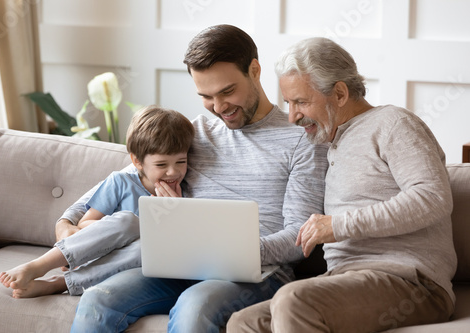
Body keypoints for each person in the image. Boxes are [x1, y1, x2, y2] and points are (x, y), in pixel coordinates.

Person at [55, 25, 329, 333]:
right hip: (179, 263)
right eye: (206, 96)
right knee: (98, 298)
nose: (219, 107)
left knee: (194, 307)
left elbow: (299, 236)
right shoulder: (195, 133)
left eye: (227, 91)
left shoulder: (300, 141)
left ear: (254, 70)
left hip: (260, 272)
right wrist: (69, 219)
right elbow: (130, 174)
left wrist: (229, 251)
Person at [227, 37, 457, 333]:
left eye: (301, 102)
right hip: (343, 279)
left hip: (412, 281)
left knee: (293, 299)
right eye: (288, 103)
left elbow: (433, 197)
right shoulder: (329, 141)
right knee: (243, 321)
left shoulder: (393, 123)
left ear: (339, 93)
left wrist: (338, 225)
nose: (293, 115)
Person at [0, 105, 195, 298]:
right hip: (95, 253)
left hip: (129, 264)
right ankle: (38, 266)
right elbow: (84, 223)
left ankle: (58, 283)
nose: (173, 172)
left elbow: (175, 245)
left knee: (148, 245)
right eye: (161, 164)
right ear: (137, 162)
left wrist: (175, 212)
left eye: (181, 161)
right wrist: (136, 226)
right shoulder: (120, 182)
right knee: (128, 221)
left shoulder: (183, 193)